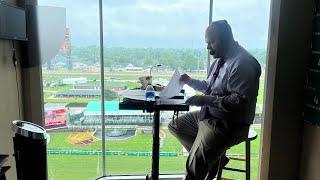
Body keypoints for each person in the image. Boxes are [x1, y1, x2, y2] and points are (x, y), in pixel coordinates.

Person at [168, 20, 261, 180]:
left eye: (211, 42)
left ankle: (207, 160)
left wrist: (204, 101)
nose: (208, 47)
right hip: (210, 115)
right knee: (176, 126)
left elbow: (238, 103)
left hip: (227, 123)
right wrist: (190, 81)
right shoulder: (220, 60)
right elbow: (210, 87)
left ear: (225, 39)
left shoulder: (243, 64)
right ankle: (215, 159)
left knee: (192, 169)